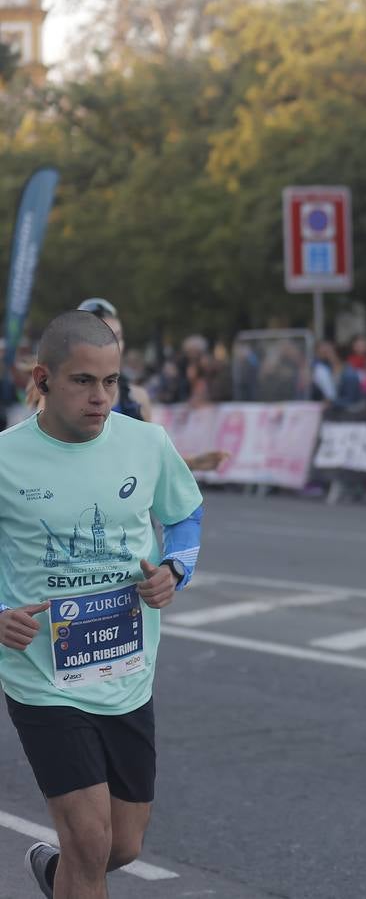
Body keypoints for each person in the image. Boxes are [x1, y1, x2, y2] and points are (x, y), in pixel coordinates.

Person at [0, 311, 204, 899]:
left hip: (126, 671)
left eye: (110, 382)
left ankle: (54, 875)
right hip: (42, 676)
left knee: (123, 846)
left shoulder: (146, 443)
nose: (100, 398)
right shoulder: (8, 458)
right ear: (43, 378)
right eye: (83, 382)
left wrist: (175, 570)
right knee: (89, 843)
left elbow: (184, 514)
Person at [73, 299, 227, 472]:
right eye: (104, 336)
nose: (114, 344)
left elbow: (149, 456)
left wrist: (191, 463)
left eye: (118, 337)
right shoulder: (64, 394)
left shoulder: (136, 398)